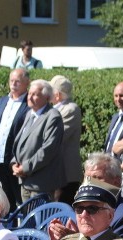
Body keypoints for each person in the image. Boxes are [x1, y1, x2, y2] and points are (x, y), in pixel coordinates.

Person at [0, 69, 30, 211]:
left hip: (15, 162)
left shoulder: (29, 104)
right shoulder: (1, 102)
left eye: (18, 81)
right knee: (3, 201)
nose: (13, 84)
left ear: (26, 83)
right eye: (11, 81)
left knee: (20, 201)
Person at [11, 79, 64, 203]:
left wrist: (26, 167)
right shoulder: (30, 114)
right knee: (27, 220)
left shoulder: (53, 116)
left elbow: (48, 149)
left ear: (47, 97)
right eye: (30, 93)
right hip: (24, 180)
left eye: (35, 94)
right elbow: (20, 142)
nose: (30, 97)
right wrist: (14, 163)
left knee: (40, 220)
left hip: (41, 183)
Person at [49, 75, 82, 203]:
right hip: (55, 173)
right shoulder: (54, 109)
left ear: (57, 95)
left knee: (61, 209)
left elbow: (56, 136)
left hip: (66, 174)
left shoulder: (71, 109)